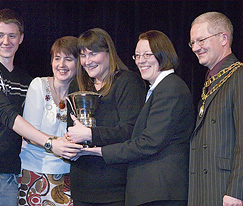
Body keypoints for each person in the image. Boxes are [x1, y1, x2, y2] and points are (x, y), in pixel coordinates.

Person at [0, 9, 82, 206]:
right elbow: (7, 115)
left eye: (12, 35)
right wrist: (51, 143)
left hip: (11, 175)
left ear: (21, 38)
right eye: (0, 35)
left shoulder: (25, 81)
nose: (6, 41)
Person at [74, 30, 195, 206]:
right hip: (153, 192)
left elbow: (149, 142)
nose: (141, 60)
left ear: (163, 54)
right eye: (137, 55)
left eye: (147, 54)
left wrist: (99, 151)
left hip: (162, 192)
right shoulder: (158, 89)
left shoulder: (171, 88)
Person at [66, 28, 146, 206]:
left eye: (93, 54)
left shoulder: (128, 82)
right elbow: (71, 130)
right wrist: (67, 145)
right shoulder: (76, 85)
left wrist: (90, 134)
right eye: (83, 55)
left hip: (115, 189)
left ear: (109, 52)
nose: (87, 61)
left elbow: (131, 131)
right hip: (82, 186)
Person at [188, 11, 243, 206]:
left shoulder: (238, 76)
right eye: (192, 42)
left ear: (223, 38)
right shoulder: (212, 81)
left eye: (201, 40)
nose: (195, 47)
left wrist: (237, 190)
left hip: (226, 191)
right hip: (204, 190)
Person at [18, 36, 78, 205]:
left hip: (68, 176)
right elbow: (29, 133)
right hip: (35, 173)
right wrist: (56, 143)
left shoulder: (82, 94)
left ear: (79, 63)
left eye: (68, 59)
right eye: (57, 58)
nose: (61, 65)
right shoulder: (39, 85)